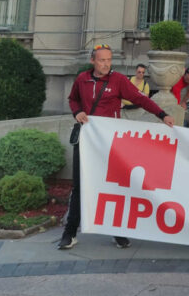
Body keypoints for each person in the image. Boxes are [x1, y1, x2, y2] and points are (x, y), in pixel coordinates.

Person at [60, 44, 175, 251]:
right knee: (79, 186)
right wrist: (77, 112)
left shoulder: (118, 80)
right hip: (87, 140)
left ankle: (118, 232)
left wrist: (162, 114)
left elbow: (140, 98)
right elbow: (73, 99)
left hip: (111, 143)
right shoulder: (82, 79)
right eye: (102, 60)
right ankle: (69, 232)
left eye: (109, 60)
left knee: (113, 187)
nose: (106, 64)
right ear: (93, 61)